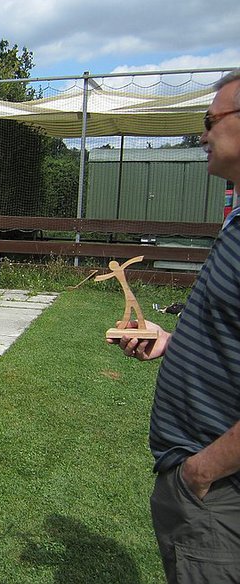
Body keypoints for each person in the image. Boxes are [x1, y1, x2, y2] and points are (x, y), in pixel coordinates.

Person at [115, 70, 240, 583]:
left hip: (218, 488)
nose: (204, 134)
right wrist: (173, 341)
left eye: (211, 119)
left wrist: (202, 470)